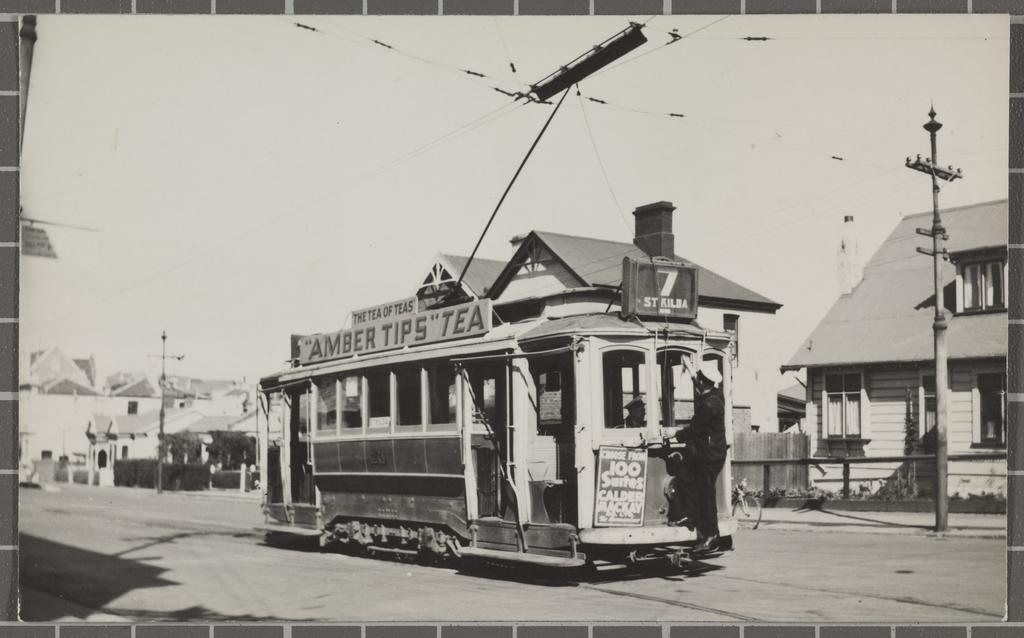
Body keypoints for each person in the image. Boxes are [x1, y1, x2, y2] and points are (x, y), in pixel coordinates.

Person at [672, 359, 728, 553]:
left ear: (704, 382)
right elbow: (700, 384)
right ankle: (691, 515)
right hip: (714, 453)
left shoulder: (709, 405)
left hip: (709, 456)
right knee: (687, 473)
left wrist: (675, 434)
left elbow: (695, 430)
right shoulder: (715, 397)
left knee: (706, 494)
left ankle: (710, 535)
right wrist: (691, 372)